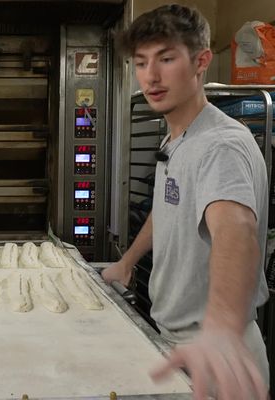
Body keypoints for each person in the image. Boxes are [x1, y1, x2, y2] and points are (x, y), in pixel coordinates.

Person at [102, 4, 270, 399]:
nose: (151, 76)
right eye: (141, 62)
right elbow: (168, 209)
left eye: (166, 58)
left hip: (219, 355)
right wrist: (127, 263)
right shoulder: (177, 139)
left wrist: (222, 329)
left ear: (201, 61)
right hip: (182, 343)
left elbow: (235, 228)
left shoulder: (220, 144)